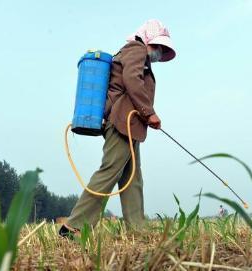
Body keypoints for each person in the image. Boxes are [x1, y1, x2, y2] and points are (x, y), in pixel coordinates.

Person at [59, 19, 176, 237]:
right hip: (122, 122)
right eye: (160, 46)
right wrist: (149, 112)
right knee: (110, 171)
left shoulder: (137, 55)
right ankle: (74, 226)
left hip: (130, 125)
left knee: (132, 177)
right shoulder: (135, 49)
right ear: (149, 39)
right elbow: (132, 79)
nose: (160, 52)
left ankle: (137, 229)